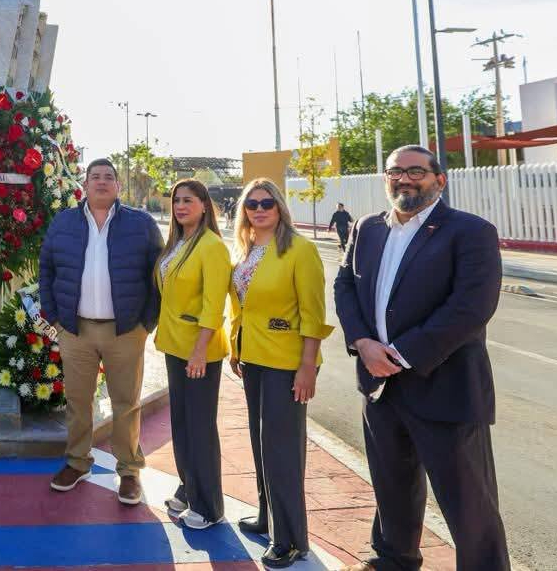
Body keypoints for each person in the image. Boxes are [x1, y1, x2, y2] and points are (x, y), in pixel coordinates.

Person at [334, 146, 509, 571]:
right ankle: (392, 560)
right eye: (395, 172)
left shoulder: (469, 231)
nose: (405, 179)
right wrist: (362, 342)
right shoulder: (366, 229)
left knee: (468, 502)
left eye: (416, 171)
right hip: (380, 385)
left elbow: (471, 307)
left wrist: (402, 353)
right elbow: (344, 287)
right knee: (391, 487)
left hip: (445, 387)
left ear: (439, 180)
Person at [39, 157, 162, 505]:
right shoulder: (63, 222)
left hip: (125, 331)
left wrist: (145, 323)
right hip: (76, 330)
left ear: (118, 186)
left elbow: (158, 274)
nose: (102, 182)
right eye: (96, 177)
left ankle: (128, 471)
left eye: (109, 177)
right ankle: (77, 462)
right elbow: (46, 269)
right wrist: (57, 319)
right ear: (85, 184)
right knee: (79, 401)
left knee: (126, 402)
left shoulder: (140, 224)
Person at [229, 179, 332, 568]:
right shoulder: (246, 248)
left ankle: (291, 539)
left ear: (280, 207)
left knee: (283, 451)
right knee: (260, 443)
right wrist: (236, 346)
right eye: (252, 203)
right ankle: (266, 515)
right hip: (253, 359)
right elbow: (242, 305)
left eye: (267, 202)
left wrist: (307, 367)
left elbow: (313, 314)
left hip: (287, 363)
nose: (259, 209)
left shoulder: (299, 250)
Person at [154, 179, 231, 531]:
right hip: (174, 345)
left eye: (189, 200)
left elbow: (214, 306)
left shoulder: (212, 246)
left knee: (200, 427)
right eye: (176, 201)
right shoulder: (178, 242)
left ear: (204, 205)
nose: (180, 206)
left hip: (200, 351)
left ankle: (210, 505)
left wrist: (200, 351)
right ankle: (189, 488)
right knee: (181, 425)